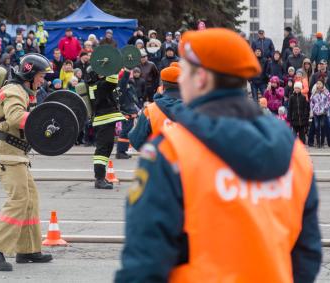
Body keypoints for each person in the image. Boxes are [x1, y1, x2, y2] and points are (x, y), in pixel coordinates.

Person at [116, 28, 322, 283]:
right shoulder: (294, 152)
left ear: (201, 78)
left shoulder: (171, 151)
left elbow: (144, 261)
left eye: (187, 73)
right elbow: (307, 253)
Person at [0, 54, 53, 271]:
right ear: (30, 75)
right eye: (41, 76)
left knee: (30, 198)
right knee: (19, 198)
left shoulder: (23, 91)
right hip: (5, 151)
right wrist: (43, 123)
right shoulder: (13, 91)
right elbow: (15, 118)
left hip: (15, 151)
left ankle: (28, 249)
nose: (43, 81)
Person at [88, 69, 126, 190]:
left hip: (104, 119)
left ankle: (101, 177)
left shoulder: (95, 85)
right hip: (104, 120)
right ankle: (99, 179)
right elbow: (113, 80)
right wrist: (112, 66)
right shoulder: (101, 85)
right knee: (103, 149)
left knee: (105, 148)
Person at [129, 66, 182, 151]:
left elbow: (136, 141)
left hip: (160, 160)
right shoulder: (196, 108)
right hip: (189, 161)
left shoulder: (150, 110)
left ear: (163, 85)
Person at [116, 68, 140, 159]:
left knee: (127, 131)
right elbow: (125, 79)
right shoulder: (122, 84)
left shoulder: (128, 85)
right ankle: (120, 152)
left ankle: (123, 151)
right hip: (126, 111)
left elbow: (133, 98)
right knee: (125, 132)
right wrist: (127, 70)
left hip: (130, 111)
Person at [310, 79, 330, 148]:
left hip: (323, 113)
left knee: (323, 126)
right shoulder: (314, 92)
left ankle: (322, 143)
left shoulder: (326, 92)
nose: (318, 85)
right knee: (317, 127)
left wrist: (325, 109)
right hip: (316, 113)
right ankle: (318, 143)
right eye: (317, 83)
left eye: (320, 83)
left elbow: (328, 101)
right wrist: (313, 110)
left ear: (323, 84)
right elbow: (311, 102)